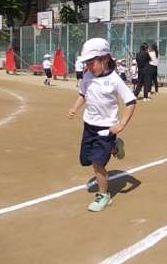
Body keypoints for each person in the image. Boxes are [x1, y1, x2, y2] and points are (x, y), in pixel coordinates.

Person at [67, 38, 136, 212]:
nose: (89, 67)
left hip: (107, 128)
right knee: (85, 160)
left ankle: (104, 195)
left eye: (92, 62)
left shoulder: (115, 80)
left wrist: (121, 124)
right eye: (87, 63)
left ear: (105, 58)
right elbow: (83, 94)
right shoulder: (87, 76)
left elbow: (131, 102)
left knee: (97, 163)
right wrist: (75, 107)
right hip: (89, 125)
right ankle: (114, 146)